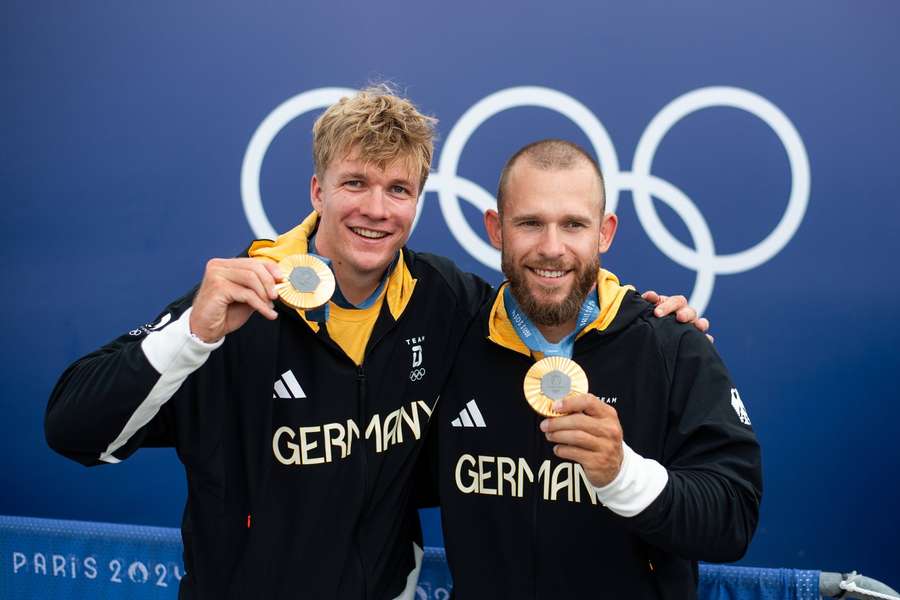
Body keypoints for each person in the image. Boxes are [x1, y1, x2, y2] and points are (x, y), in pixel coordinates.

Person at [45, 87, 708, 599]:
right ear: (318, 190)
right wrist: (190, 336)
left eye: (399, 189)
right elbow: (74, 427)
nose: (376, 209)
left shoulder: (444, 300)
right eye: (355, 183)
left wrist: (643, 313)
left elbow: (549, 292)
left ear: (419, 200)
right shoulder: (240, 303)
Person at [431, 139, 762, 599]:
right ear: (496, 228)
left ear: (604, 232)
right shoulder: (454, 339)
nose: (552, 248)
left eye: (573, 224)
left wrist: (622, 473)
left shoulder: (672, 345)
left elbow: (732, 519)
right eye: (530, 223)